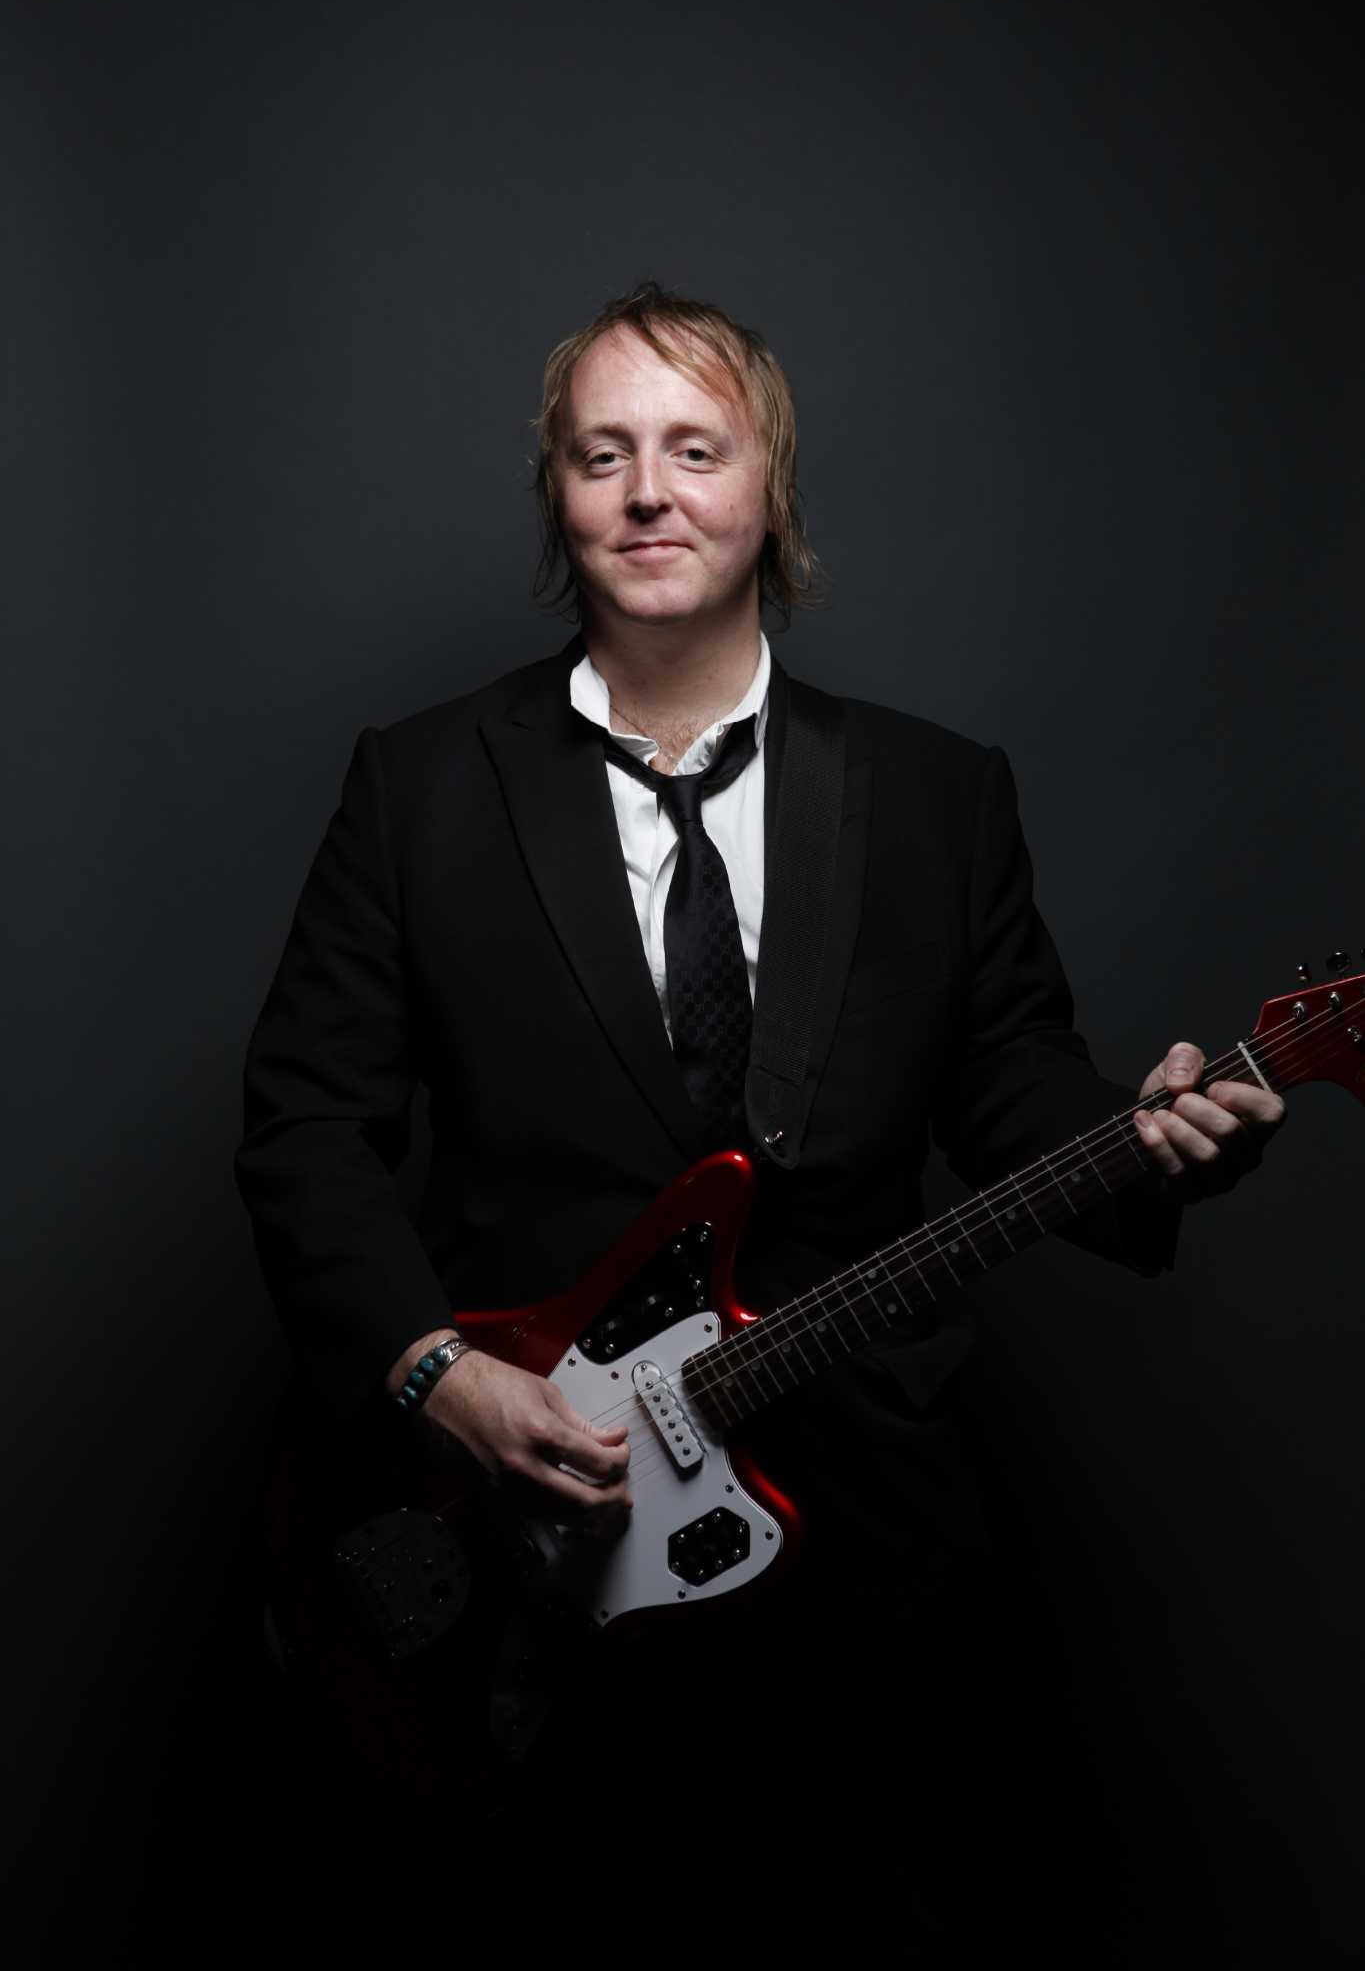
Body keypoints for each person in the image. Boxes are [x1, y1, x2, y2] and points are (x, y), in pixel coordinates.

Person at [234, 281, 1284, 1933]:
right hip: (540, 1517)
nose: (646, 493)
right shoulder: (420, 782)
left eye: (694, 449)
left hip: (862, 1516)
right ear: (557, 498)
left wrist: (1155, 1138)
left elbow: (1011, 1081)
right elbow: (306, 1124)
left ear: (770, 490)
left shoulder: (937, 794)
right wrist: (439, 1378)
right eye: (602, 454)